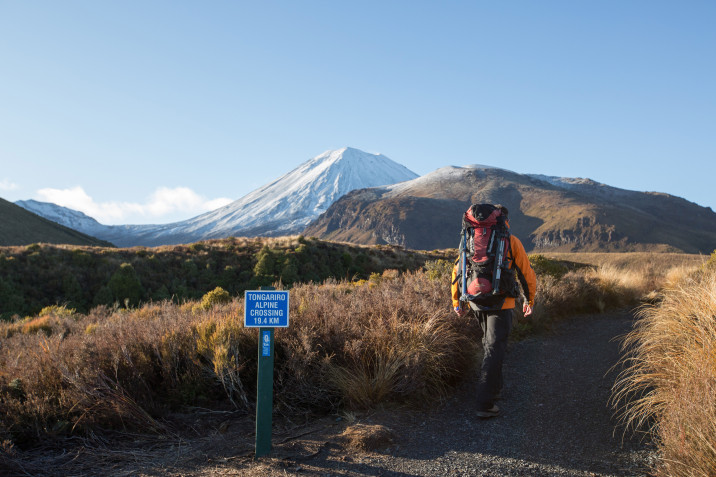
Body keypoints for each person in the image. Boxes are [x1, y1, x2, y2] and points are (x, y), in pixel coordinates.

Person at [451, 204, 537, 418]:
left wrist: (457, 301)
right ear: (503, 220)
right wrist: (530, 299)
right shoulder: (510, 240)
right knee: (494, 348)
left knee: (490, 344)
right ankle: (485, 403)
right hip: (502, 301)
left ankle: (494, 390)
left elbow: (457, 269)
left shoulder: (469, 239)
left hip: (475, 299)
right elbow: (526, 273)